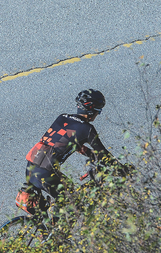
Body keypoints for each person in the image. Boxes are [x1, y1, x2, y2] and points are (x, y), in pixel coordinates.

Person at [16, 89, 128, 217]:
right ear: (92, 111)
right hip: (46, 173)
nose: (98, 114)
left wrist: (90, 154)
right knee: (74, 203)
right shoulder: (87, 129)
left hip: (31, 166)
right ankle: (59, 235)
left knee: (65, 191)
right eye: (99, 111)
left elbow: (61, 142)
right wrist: (123, 170)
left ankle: (47, 230)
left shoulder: (62, 117)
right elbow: (104, 155)